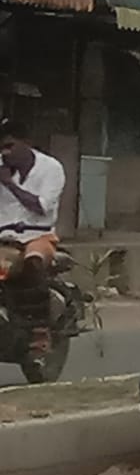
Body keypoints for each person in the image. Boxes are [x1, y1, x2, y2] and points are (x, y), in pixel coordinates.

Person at [0, 118, 66, 371]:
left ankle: (40, 334)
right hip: (4, 239)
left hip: (37, 237)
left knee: (33, 262)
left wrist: (9, 184)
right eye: (1, 148)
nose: (5, 153)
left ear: (26, 143)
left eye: (9, 146)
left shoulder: (51, 169)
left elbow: (40, 206)